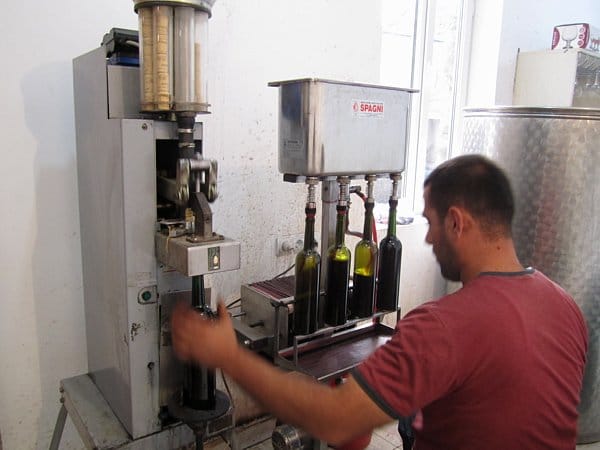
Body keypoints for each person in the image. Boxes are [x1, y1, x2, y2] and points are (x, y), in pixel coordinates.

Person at [172, 154, 588, 450]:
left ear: (458, 221)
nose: (428, 238)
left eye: (429, 223)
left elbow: (337, 419)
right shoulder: (566, 306)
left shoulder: (444, 326)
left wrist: (227, 354)